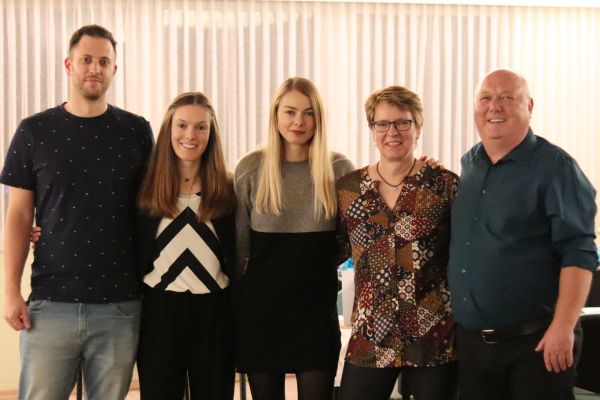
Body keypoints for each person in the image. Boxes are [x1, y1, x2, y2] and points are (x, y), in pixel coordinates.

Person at [1, 25, 153, 399]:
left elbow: (153, 209)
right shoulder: (34, 131)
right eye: (86, 59)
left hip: (119, 305)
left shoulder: (137, 131)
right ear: (69, 65)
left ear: (114, 69)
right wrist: (10, 291)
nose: (94, 68)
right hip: (51, 302)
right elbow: (18, 216)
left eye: (104, 61)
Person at [448, 69, 598, 400]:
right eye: (485, 98)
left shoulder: (556, 168)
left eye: (507, 97)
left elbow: (580, 253)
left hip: (537, 345)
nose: (494, 106)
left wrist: (562, 328)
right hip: (473, 348)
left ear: (529, 106)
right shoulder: (470, 164)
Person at [234, 77, 355, 400]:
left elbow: (350, 240)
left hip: (316, 313)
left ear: (319, 118)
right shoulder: (251, 168)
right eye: (290, 112)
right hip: (261, 314)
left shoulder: (339, 168)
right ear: (275, 115)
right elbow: (239, 249)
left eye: (308, 112)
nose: (298, 121)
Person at [336, 85, 458, 400]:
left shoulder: (443, 184)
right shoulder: (349, 189)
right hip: (371, 335)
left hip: (433, 336)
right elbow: (333, 249)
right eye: (382, 123)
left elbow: (465, 255)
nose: (392, 132)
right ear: (372, 130)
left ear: (418, 127)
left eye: (403, 122)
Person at [135, 92, 236, 399]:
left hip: (214, 312)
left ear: (211, 133)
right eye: (182, 125)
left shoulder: (229, 188)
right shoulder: (145, 187)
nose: (190, 135)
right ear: (169, 129)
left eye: (200, 127)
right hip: (160, 312)